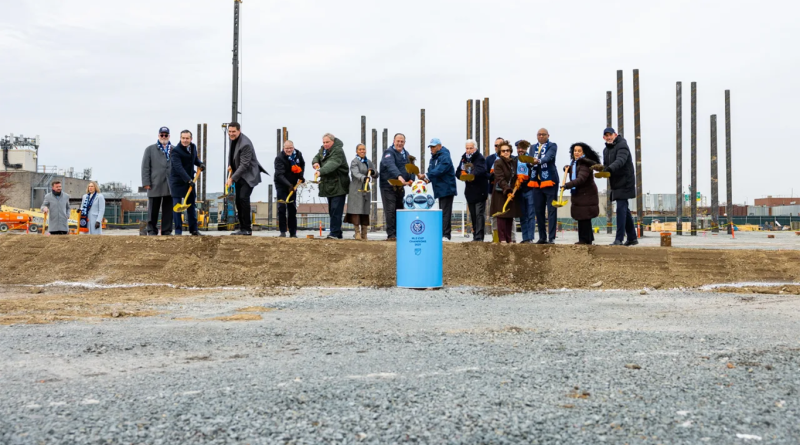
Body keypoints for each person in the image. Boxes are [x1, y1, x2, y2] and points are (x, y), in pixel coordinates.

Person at [593, 128, 638, 246]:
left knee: (620, 209)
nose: (608, 137)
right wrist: (601, 169)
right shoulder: (605, 150)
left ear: (615, 135)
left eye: (610, 135)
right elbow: (607, 166)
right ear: (604, 138)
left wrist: (608, 169)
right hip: (616, 183)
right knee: (624, 210)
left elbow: (620, 161)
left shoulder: (622, 145)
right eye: (606, 136)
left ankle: (619, 239)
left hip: (625, 182)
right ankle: (632, 238)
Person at [226, 122, 267, 236]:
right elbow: (234, 155)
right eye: (229, 131)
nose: (231, 134)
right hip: (240, 175)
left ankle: (247, 229)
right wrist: (232, 166)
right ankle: (243, 227)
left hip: (249, 176)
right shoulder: (232, 139)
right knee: (238, 200)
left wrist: (232, 179)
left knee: (243, 198)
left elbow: (244, 165)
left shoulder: (245, 144)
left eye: (234, 131)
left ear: (239, 130)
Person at [312, 133, 350, 239]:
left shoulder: (338, 151)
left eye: (327, 142)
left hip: (339, 185)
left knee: (336, 210)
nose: (325, 144)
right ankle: (337, 232)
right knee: (332, 210)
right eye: (324, 142)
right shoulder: (323, 150)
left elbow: (332, 163)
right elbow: (316, 157)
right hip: (329, 185)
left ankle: (334, 232)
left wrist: (320, 171)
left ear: (332, 141)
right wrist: (315, 163)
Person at [418, 138, 457, 241]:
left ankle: (446, 235)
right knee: (442, 212)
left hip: (447, 188)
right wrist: (426, 179)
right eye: (430, 147)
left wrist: (427, 175)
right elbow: (432, 171)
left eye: (433, 147)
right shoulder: (433, 159)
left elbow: (440, 170)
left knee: (445, 212)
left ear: (439, 146)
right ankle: (442, 234)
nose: (431, 149)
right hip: (439, 189)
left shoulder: (445, 156)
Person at [169, 130, 205, 236]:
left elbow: (195, 160)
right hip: (177, 182)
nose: (185, 140)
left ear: (191, 139)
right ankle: (178, 231)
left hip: (189, 181)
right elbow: (178, 168)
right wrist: (188, 180)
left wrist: (200, 164)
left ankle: (194, 230)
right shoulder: (175, 151)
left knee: (191, 206)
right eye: (183, 138)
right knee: (177, 207)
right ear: (180, 138)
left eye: (187, 138)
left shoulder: (193, 147)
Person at [564, 143, 601, 244]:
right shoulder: (575, 163)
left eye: (579, 151)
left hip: (586, 194)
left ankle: (584, 239)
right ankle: (587, 239)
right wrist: (568, 169)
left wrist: (568, 185)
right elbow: (575, 171)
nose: (576, 153)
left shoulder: (584, 164)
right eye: (575, 151)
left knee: (584, 217)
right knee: (582, 217)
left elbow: (581, 179)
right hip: (581, 194)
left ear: (583, 152)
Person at [379, 133, 414, 241]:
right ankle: (391, 235)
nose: (399, 143)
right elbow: (390, 165)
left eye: (402, 141)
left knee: (399, 210)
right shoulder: (388, 153)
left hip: (400, 188)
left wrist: (411, 178)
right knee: (390, 210)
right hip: (388, 186)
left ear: (404, 142)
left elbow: (411, 167)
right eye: (397, 141)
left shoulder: (406, 154)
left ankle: (400, 233)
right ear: (394, 141)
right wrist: (398, 176)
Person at [141, 126, 174, 235]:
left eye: (166, 135)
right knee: (153, 209)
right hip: (155, 183)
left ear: (169, 136)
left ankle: (166, 230)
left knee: (168, 209)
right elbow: (145, 167)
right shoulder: (150, 149)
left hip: (170, 184)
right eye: (162, 135)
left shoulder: (174, 149)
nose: (164, 137)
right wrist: (146, 182)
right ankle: (151, 229)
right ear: (158, 135)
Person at [489, 140, 522, 243]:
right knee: (501, 216)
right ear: (500, 152)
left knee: (509, 215)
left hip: (512, 193)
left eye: (507, 150)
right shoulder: (498, 162)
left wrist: (517, 183)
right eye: (503, 151)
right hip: (501, 193)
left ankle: (509, 238)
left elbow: (515, 176)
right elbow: (500, 178)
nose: (506, 152)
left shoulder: (513, 162)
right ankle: (502, 239)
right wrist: (507, 190)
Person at [455, 139, 488, 242]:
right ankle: (475, 235)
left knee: (479, 214)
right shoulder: (464, 158)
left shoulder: (480, 158)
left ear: (475, 148)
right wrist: (462, 175)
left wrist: (471, 174)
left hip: (480, 190)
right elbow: (457, 172)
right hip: (470, 192)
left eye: (470, 148)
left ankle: (479, 237)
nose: (468, 150)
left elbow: (481, 170)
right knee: (473, 214)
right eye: (467, 148)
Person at [529, 128, 559, 244]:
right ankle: (542, 237)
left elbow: (548, 157)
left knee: (551, 210)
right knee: (538, 210)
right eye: (539, 134)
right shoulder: (533, 147)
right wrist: (529, 162)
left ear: (548, 135)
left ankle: (551, 237)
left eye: (543, 134)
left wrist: (538, 161)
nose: (541, 136)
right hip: (536, 182)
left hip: (550, 181)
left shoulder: (552, 145)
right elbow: (530, 160)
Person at [345, 143, 378, 240]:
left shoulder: (368, 162)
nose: (362, 151)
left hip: (366, 189)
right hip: (356, 189)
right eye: (360, 149)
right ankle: (357, 232)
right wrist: (364, 178)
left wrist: (373, 173)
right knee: (356, 210)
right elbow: (355, 173)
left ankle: (365, 233)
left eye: (363, 149)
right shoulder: (354, 162)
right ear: (356, 151)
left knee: (365, 210)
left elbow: (376, 173)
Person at [274, 140, 305, 238]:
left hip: (293, 184)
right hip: (281, 184)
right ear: (283, 148)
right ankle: (283, 231)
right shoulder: (279, 158)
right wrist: (288, 185)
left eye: (291, 148)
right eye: (287, 148)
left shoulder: (298, 154)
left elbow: (302, 165)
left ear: (293, 147)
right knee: (282, 207)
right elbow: (279, 175)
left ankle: (293, 233)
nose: (289, 150)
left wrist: (300, 176)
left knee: (292, 207)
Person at [515, 140, 536, 243]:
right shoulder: (514, 160)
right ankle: (525, 238)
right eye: (518, 148)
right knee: (522, 215)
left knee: (531, 214)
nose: (520, 150)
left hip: (530, 189)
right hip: (519, 190)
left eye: (522, 148)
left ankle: (530, 238)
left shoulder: (531, 159)